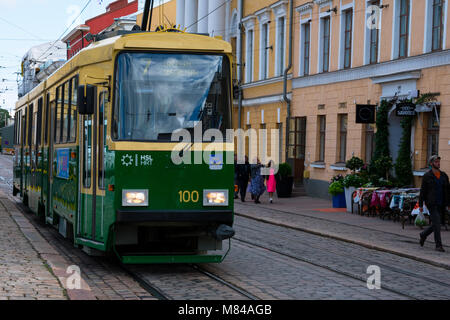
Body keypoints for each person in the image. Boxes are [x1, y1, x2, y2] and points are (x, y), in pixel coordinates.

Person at [419, 155, 449, 252]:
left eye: (439, 161)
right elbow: (423, 191)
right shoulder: (427, 176)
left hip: (442, 203)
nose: (438, 163)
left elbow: (448, 191)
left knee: (438, 223)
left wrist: (449, 203)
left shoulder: (444, 175)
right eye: (436, 162)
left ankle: (423, 234)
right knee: (437, 223)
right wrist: (420, 205)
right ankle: (438, 245)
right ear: (431, 164)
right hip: (432, 203)